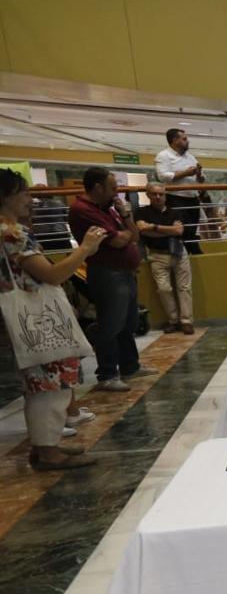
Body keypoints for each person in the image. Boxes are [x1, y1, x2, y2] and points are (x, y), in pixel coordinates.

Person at [1, 170, 108, 470]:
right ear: (5, 197)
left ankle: (45, 445)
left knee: (40, 382)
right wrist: (85, 249)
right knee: (50, 381)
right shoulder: (12, 233)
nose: (29, 199)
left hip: (22, 316)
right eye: (23, 192)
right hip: (36, 316)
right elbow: (51, 274)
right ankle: (48, 451)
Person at [68, 167, 155, 392]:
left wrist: (126, 217)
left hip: (125, 271)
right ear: (98, 187)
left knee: (128, 323)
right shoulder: (82, 210)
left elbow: (133, 236)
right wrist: (125, 234)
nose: (117, 193)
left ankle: (130, 366)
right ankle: (107, 373)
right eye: (113, 187)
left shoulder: (109, 208)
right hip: (107, 273)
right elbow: (117, 241)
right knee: (111, 324)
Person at [136, 183, 195, 334]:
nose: (158, 197)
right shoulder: (141, 212)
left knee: (184, 288)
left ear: (165, 195)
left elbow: (179, 231)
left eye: (161, 194)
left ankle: (186, 321)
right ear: (148, 195)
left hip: (179, 253)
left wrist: (153, 228)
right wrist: (169, 230)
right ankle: (173, 320)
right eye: (154, 194)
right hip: (156, 255)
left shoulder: (174, 213)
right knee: (163, 289)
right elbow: (142, 230)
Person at [154, 128, 210, 255]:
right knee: (182, 229)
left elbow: (201, 180)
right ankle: (192, 252)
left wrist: (199, 173)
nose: (187, 141)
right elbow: (163, 176)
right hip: (176, 198)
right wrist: (186, 173)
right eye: (184, 139)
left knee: (192, 228)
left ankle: (191, 252)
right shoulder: (163, 156)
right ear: (174, 140)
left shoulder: (190, 157)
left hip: (193, 198)